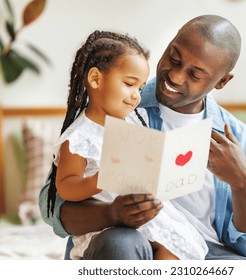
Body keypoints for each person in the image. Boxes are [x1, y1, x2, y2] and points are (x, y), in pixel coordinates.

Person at [39, 15, 246, 260]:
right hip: (128, 243)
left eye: (195, 75)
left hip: (207, 253)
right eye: (173, 57)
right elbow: (52, 204)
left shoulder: (238, 139)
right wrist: (111, 214)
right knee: (120, 241)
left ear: (222, 81)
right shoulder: (118, 105)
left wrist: (242, 182)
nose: (175, 76)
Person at [47, 30, 208, 260]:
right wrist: (99, 179)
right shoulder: (80, 137)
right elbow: (65, 185)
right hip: (109, 227)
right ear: (95, 79)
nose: (136, 96)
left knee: (175, 249)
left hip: (146, 213)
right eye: (129, 84)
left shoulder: (133, 120)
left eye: (140, 88)